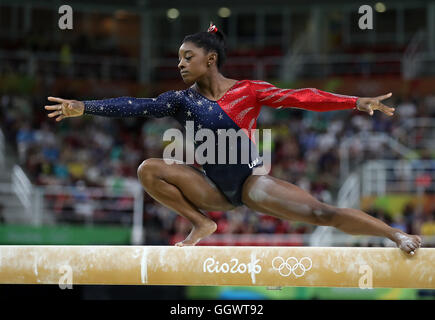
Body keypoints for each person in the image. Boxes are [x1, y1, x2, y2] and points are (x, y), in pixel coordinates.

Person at [45, 22, 421, 254]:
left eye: (186, 57)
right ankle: (201, 223)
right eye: (178, 58)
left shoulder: (247, 91)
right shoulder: (180, 100)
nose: (179, 64)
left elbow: (301, 97)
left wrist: (354, 101)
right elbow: (136, 105)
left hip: (249, 184)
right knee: (149, 169)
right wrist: (86, 106)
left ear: (210, 59)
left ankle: (396, 235)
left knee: (322, 212)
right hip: (208, 187)